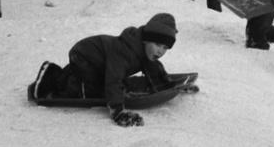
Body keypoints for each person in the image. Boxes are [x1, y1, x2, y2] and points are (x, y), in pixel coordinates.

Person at [31, 13, 179, 127]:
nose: (161, 51)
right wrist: (118, 111)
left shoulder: (143, 50)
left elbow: (153, 67)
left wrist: (167, 84)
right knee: (88, 92)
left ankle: (69, 75)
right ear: (146, 40)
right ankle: (51, 78)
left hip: (100, 61)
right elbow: (114, 78)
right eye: (158, 45)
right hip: (84, 55)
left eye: (165, 48)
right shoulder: (125, 52)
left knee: (105, 83)